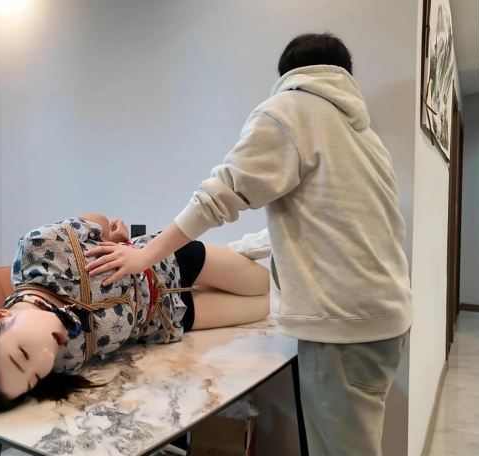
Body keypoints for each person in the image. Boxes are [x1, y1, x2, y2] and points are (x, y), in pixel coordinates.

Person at [84, 33, 412, 455]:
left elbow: (217, 198)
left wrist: (144, 255)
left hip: (343, 325)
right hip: (387, 318)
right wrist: (237, 250)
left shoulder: (289, 109)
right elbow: (324, 225)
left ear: (288, 74)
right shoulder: (364, 136)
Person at [0, 213, 270, 415]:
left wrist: (110, 236)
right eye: (35, 378)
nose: (47, 359)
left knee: (262, 282)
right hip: (168, 318)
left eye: (23, 354)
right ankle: (234, 259)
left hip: (167, 261)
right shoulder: (60, 362)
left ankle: (240, 250)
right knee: (264, 307)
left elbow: (96, 220)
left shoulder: (40, 251)